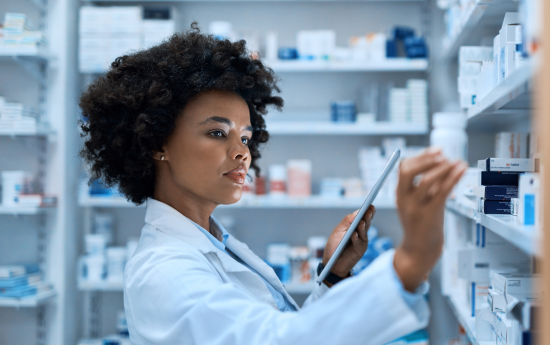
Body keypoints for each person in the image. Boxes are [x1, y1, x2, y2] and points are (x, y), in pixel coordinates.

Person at [79, 24, 467, 345]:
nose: (242, 153)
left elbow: (283, 328)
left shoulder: (216, 243)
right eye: (217, 133)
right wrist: (411, 260)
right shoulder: (164, 272)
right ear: (157, 143)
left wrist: (333, 276)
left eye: (246, 138)